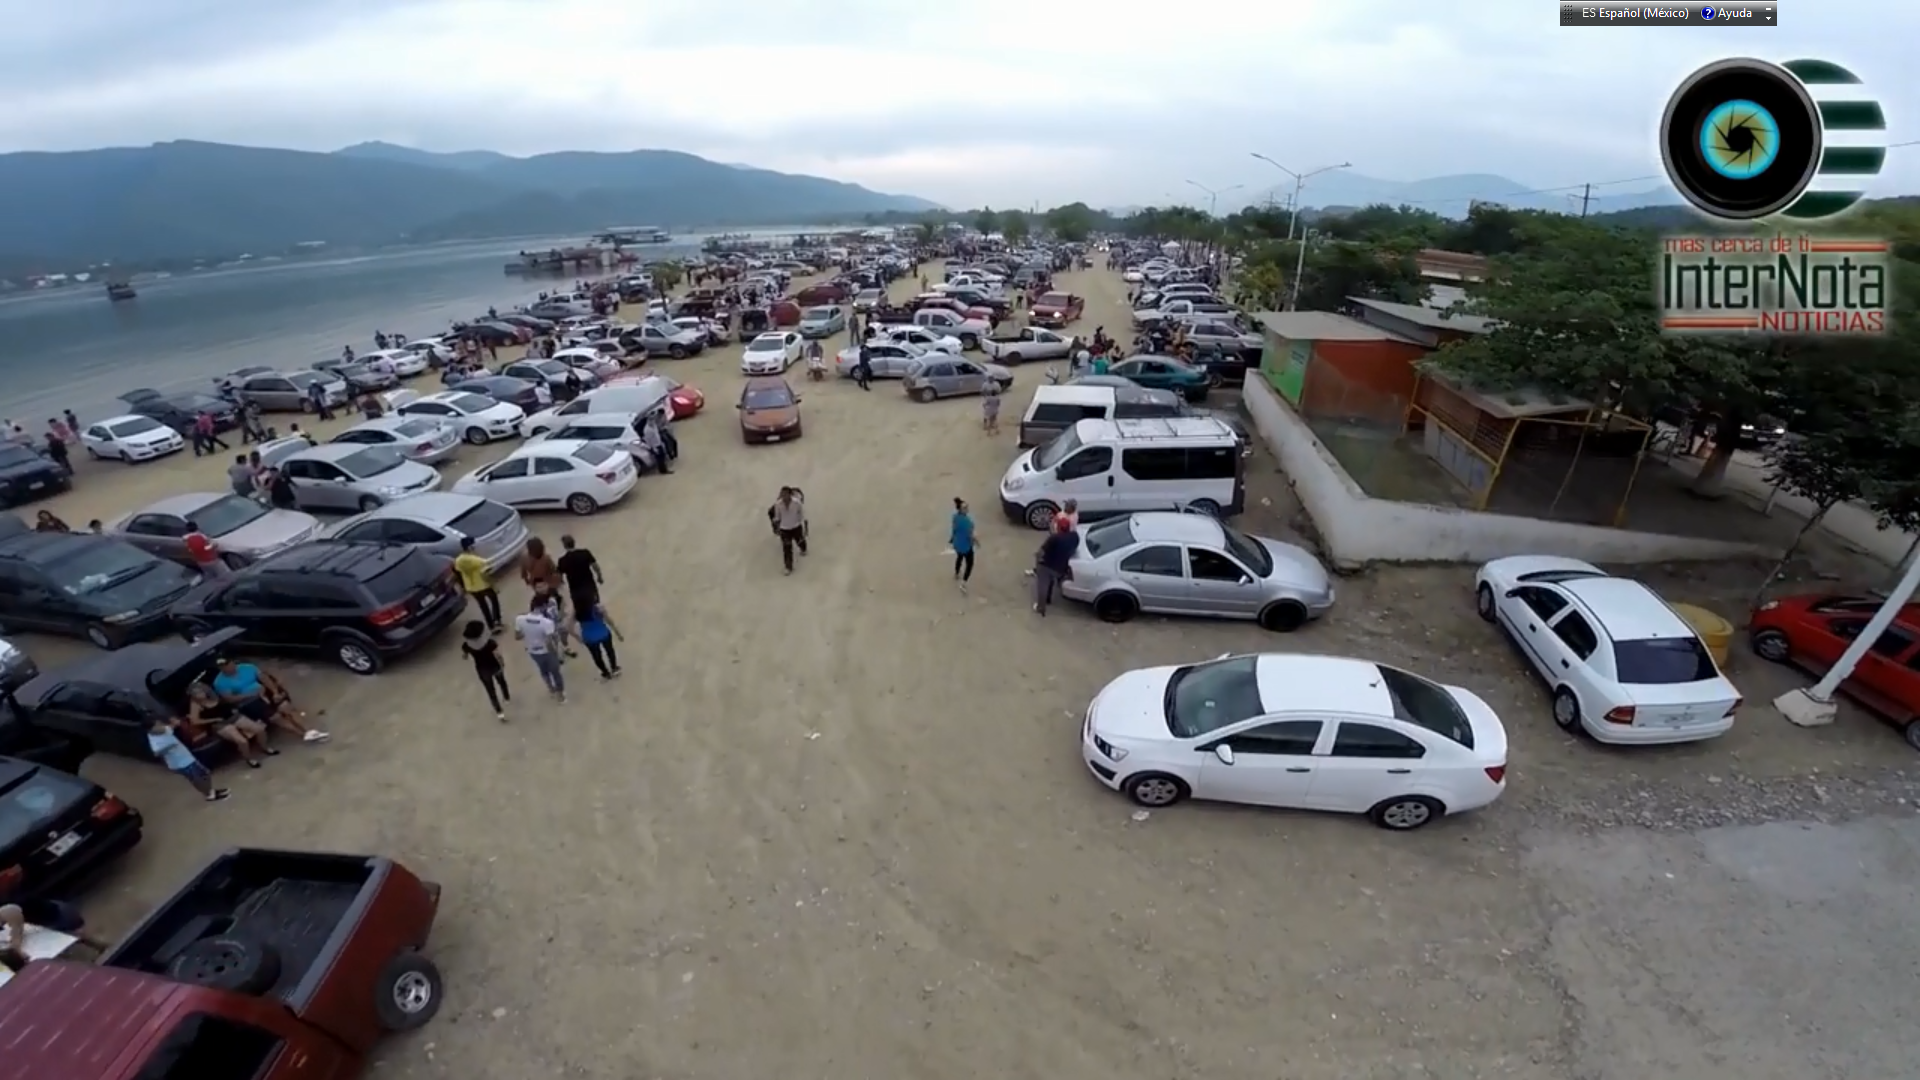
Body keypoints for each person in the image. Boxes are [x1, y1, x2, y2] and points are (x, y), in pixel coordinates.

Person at [211, 657, 329, 743]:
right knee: (276, 717)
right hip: (250, 702)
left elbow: (265, 678)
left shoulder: (247, 668)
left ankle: (310, 730)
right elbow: (230, 699)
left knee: (286, 707)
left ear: (232, 662)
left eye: (227, 664)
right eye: (222, 666)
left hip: (264, 693)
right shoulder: (220, 682)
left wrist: (275, 692)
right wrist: (250, 694)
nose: (226, 667)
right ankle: (302, 734)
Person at [185, 682, 274, 767]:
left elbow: (229, 700)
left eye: (200, 691)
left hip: (233, 716)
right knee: (242, 741)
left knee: (259, 729)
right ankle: (249, 758)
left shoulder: (216, 695)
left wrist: (234, 708)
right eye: (196, 693)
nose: (199, 694)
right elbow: (195, 721)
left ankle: (264, 747)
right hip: (220, 724)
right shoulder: (196, 705)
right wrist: (213, 719)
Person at [148, 715, 230, 803]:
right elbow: (156, 753)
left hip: (187, 757)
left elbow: (173, 726)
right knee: (197, 778)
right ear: (152, 729)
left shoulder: (163, 729)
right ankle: (210, 795)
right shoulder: (154, 739)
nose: (161, 725)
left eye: (159, 723)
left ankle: (210, 791)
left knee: (205, 774)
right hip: (180, 763)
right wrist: (169, 747)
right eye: (157, 725)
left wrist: (175, 722)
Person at [514, 597, 566, 702]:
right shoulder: (546, 622)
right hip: (547, 651)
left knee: (544, 671)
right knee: (555, 672)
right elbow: (549, 641)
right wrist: (556, 654)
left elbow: (517, 637)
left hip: (533, 651)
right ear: (543, 607)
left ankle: (550, 688)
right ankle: (560, 695)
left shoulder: (519, 619)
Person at [460, 619, 511, 721]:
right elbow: (498, 655)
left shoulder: (466, 645)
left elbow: (464, 655)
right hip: (495, 666)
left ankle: (499, 712)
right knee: (501, 681)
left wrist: (466, 655)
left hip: (482, 670)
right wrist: (502, 664)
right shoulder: (490, 643)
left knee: (490, 691)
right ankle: (506, 697)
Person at [1032, 518, 1081, 616]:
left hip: (1046, 565)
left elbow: (1041, 552)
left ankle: (1041, 607)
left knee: (1042, 586)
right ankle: (1048, 599)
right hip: (1060, 567)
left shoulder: (1054, 538)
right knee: (1051, 581)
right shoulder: (1074, 537)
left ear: (1058, 527)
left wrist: (1037, 562)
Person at [454, 536, 502, 633]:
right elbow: (486, 574)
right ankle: (497, 620)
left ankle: (491, 626)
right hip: (483, 585)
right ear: (469, 547)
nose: (475, 546)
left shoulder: (458, 560)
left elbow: (458, 573)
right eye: (473, 545)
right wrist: (493, 585)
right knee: (493, 599)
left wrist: (463, 587)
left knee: (483, 606)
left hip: (471, 587)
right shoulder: (478, 561)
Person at [576, 601, 623, 679]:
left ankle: (605, 672)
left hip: (589, 637)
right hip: (603, 633)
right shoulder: (597, 607)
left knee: (596, 656)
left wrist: (579, 638)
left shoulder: (577, 609)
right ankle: (614, 668)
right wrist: (618, 633)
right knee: (610, 651)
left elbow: (567, 625)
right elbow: (609, 620)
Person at [556, 535, 602, 615]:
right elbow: (595, 566)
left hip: (576, 590)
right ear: (574, 543)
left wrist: (561, 584)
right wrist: (599, 577)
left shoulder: (562, 560)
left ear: (564, 546)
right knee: (596, 606)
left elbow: (559, 576)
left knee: (581, 612)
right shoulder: (585, 553)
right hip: (589, 586)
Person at [767, 486, 808, 575]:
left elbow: (802, 514)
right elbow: (777, 516)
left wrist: (804, 526)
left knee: (799, 540)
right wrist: (776, 525)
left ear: (790, 495)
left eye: (785, 495)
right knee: (787, 548)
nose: (783, 497)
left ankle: (803, 548)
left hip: (796, 526)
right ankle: (788, 566)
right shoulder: (778, 505)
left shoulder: (797, 503)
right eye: (782, 495)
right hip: (785, 529)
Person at [520, 537, 563, 613]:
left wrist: (527, 581)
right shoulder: (546, 558)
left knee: (541, 597)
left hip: (535, 582)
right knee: (554, 597)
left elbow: (523, 573)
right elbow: (553, 570)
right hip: (548, 581)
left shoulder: (524, 558)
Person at [950, 497, 976, 592]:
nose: (967, 508)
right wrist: (976, 542)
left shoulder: (955, 518)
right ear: (961, 509)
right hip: (966, 547)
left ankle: (957, 573)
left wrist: (952, 539)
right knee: (970, 564)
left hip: (957, 544)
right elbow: (971, 536)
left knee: (959, 557)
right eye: (965, 507)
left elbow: (954, 530)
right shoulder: (968, 522)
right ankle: (963, 583)